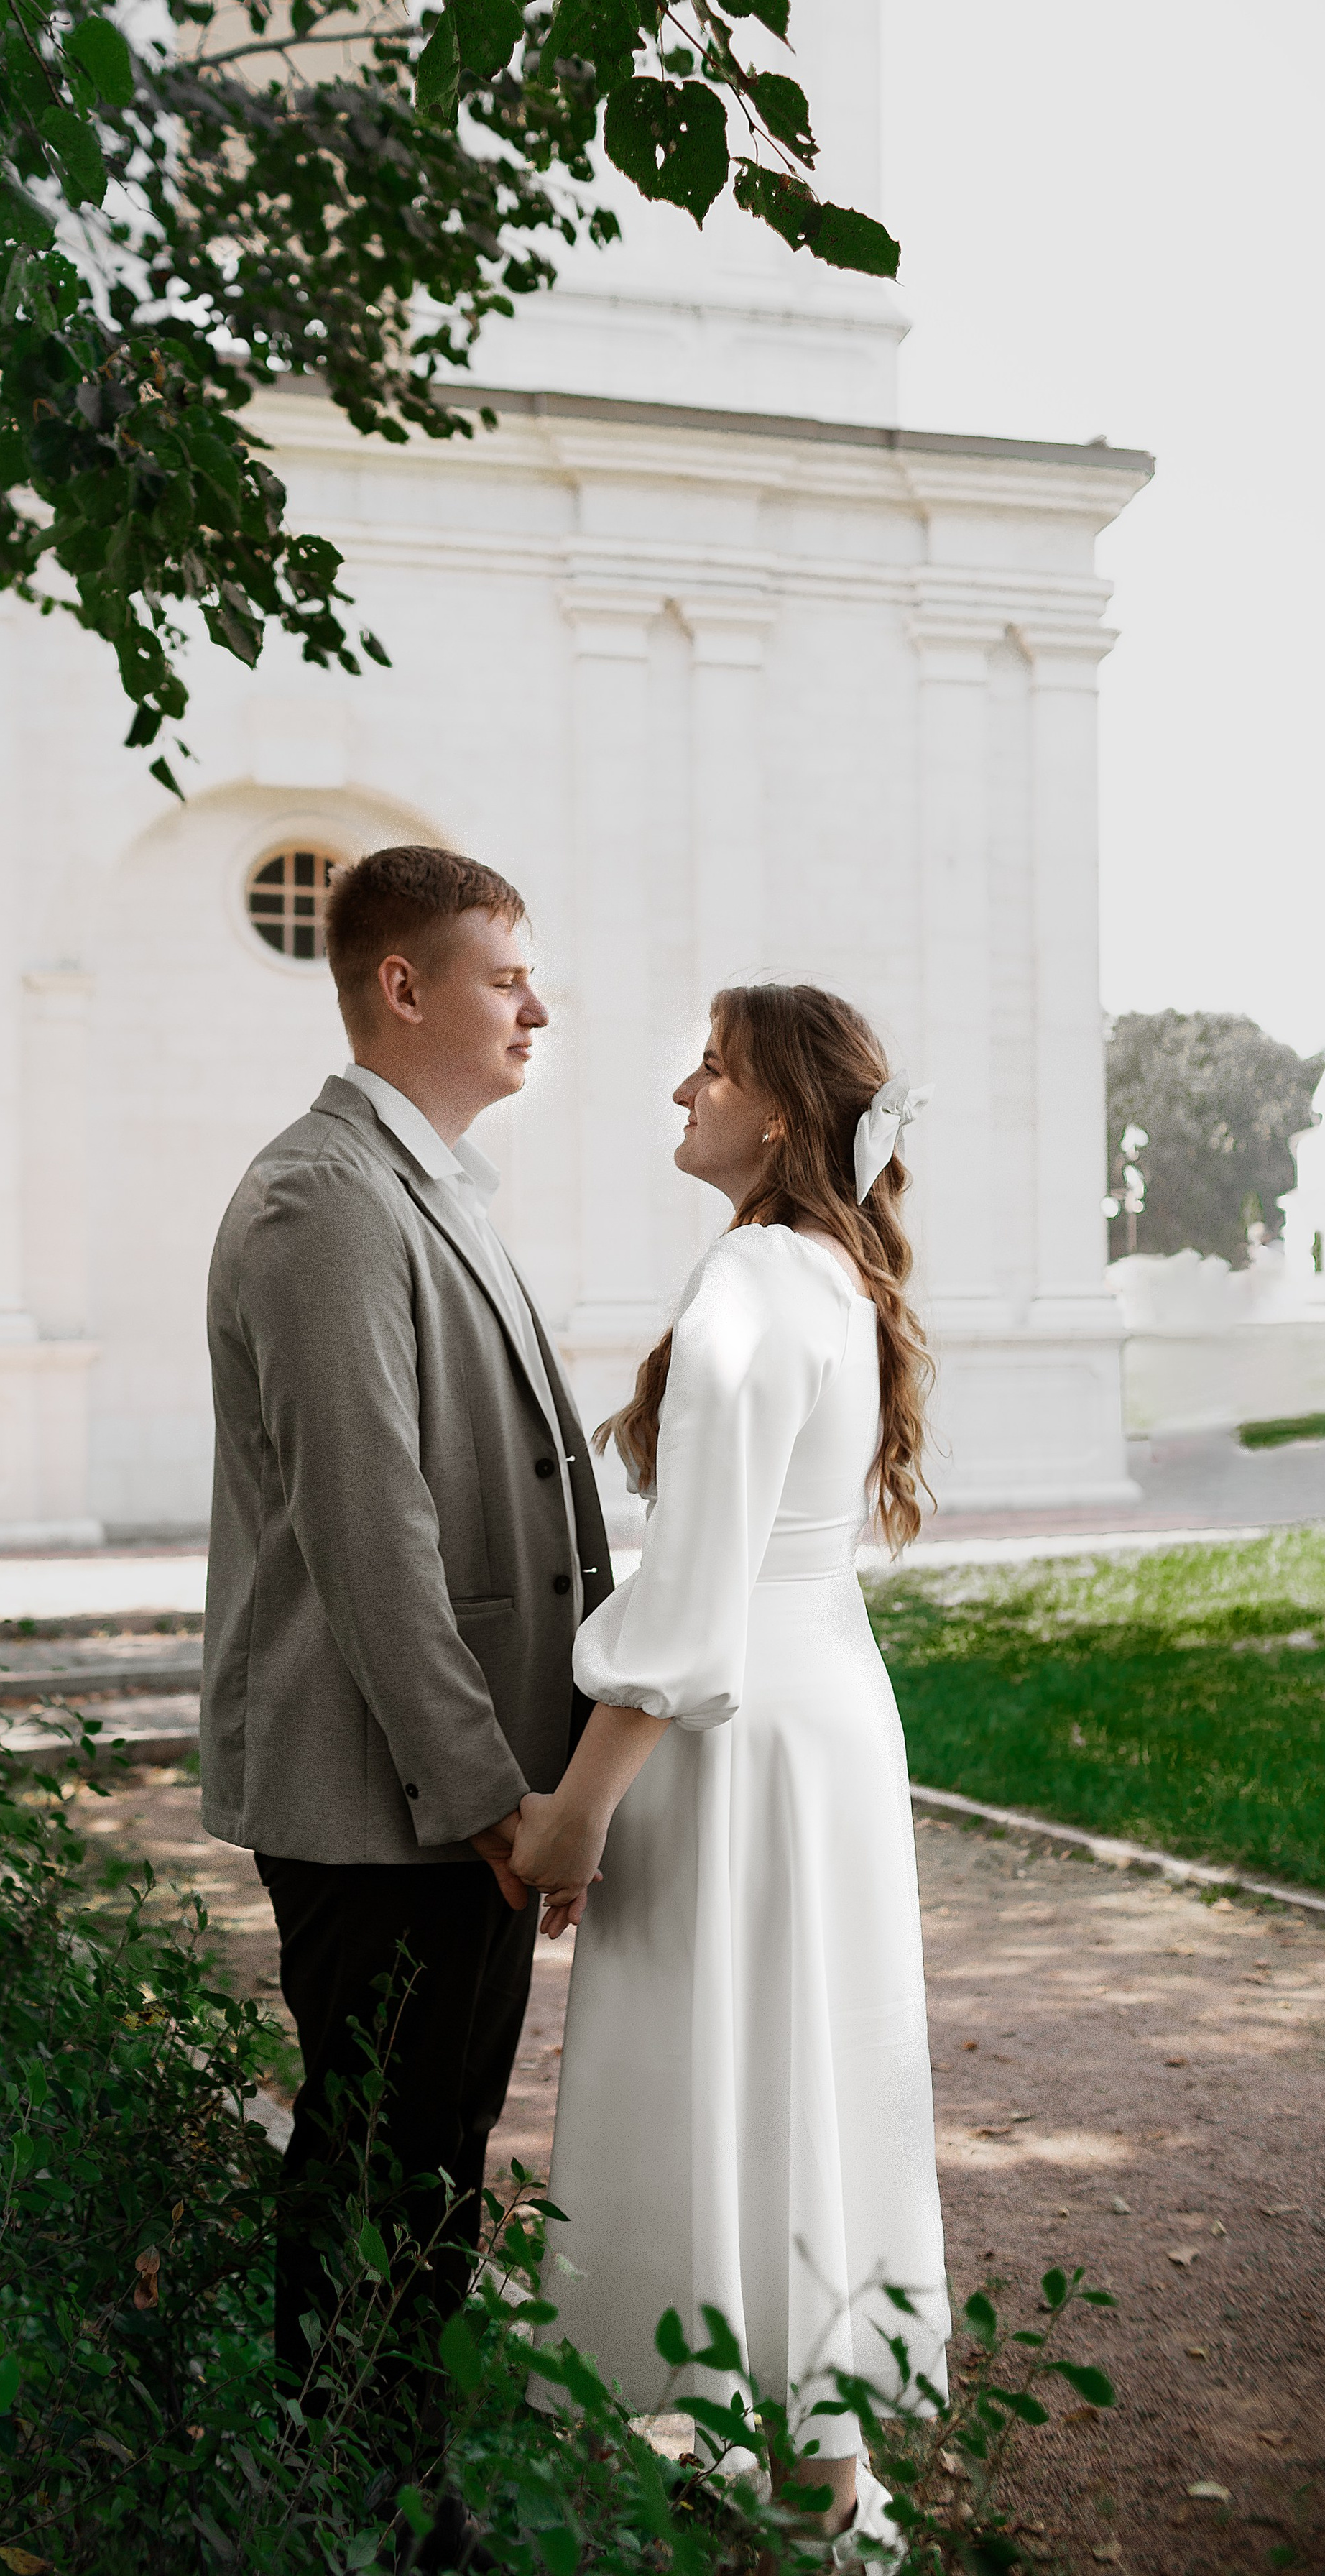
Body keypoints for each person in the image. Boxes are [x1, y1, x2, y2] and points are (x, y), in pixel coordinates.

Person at [509, 984, 948, 2547]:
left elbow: (692, 1595)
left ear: (775, 1112)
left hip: (739, 1723)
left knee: (726, 2044)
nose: (680, 1086)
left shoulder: (756, 1279)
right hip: (823, 1705)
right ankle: (810, 2454)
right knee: (808, 2054)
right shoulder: (830, 1273)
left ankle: (771, 2447)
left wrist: (572, 1813)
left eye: (710, 1063)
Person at [201, 844, 612, 2414]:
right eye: (506, 977)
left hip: (452, 1806)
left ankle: (381, 2488)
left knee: (425, 2180)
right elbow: (371, 1536)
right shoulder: (325, 1199)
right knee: (386, 2181)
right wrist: (487, 1797)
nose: (537, 1007)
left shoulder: (425, 1186)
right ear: (400, 985)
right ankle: (353, 2503)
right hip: (394, 1811)